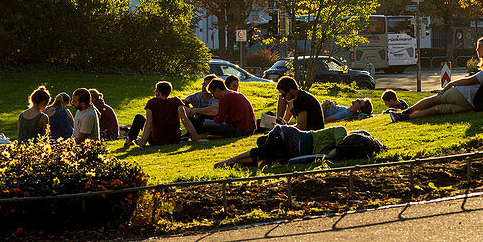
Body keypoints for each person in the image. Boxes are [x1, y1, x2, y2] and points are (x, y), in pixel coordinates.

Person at [390, 47, 483, 121]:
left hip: (463, 94)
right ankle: (407, 118)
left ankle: (404, 113)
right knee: (437, 109)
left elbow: (468, 81)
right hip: (473, 104)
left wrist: (449, 85)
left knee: (435, 99)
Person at [214, 124, 348, 168]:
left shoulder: (345, 147)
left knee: (268, 159)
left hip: (292, 151)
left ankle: (235, 163)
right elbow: (340, 146)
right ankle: (230, 160)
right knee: (264, 150)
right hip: (292, 136)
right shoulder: (341, 130)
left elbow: (335, 153)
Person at [125, 81, 200, 147]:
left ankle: (129, 141)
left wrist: (143, 144)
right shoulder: (176, 101)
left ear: (158, 92)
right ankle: (133, 140)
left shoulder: (152, 103)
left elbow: (148, 124)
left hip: (156, 141)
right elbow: (185, 120)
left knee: (139, 118)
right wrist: (196, 138)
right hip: (174, 140)